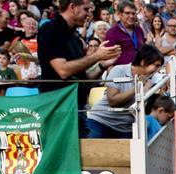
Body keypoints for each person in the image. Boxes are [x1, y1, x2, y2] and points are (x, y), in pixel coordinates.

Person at [39, 0, 122, 136]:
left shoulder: (76, 39)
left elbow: (83, 78)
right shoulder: (50, 29)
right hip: (58, 108)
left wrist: (102, 65)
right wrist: (97, 55)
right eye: (86, 9)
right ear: (72, 7)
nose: (89, 14)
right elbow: (63, 71)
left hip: (77, 107)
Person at [86, 44, 165, 139]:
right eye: (156, 66)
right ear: (143, 62)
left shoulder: (150, 79)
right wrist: (137, 87)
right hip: (101, 122)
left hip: (125, 128)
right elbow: (113, 101)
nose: (158, 70)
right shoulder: (119, 70)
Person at [105, 0, 146, 65]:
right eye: (127, 13)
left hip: (140, 68)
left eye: (133, 13)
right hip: (122, 69)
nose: (131, 16)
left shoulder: (139, 30)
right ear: (120, 14)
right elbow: (108, 56)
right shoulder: (112, 32)